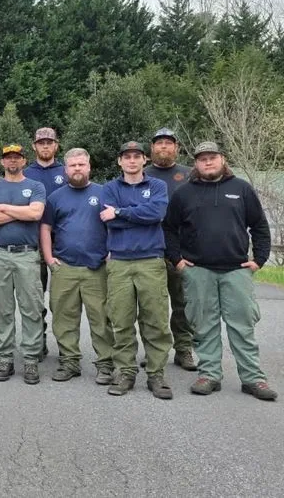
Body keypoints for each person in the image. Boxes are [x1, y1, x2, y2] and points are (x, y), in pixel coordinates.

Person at [165, 142, 277, 401]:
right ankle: (210, 374)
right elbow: (169, 228)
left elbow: (259, 225)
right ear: (196, 163)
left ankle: (253, 378)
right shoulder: (184, 194)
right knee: (203, 326)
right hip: (198, 270)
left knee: (243, 324)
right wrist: (177, 260)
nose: (207, 162)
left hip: (236, 270)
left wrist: (259, 259)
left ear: (222, 159)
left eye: (212, 157)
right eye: (202, 158)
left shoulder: (241, 189)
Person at [101, 141, 174, 399]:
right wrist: (132, 217)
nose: (131, 161)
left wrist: (120, 212)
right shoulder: (109, 188)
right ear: (119, 161)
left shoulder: (157, 186)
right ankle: (125, 372)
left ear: (145, 160)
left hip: (151, 260)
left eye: (136, 156)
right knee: (121, 321)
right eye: (126, 157)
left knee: (155, 320)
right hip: (119, 262)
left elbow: (156, 213)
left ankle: (156, 374)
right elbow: (108, 221)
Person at [40, 148, 115, 385]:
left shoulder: (104, 193)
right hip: (65, 268)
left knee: (101, 318)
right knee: (63, 318)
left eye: (81, 164)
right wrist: (50, 259)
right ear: (65, 169)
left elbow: (114, 225)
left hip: (96, 268)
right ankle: (69, 361)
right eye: (72, 166)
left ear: (89, 166)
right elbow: (45, 229)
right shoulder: (55, 198)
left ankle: (105, 364)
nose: (77, 169)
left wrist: (111, 253)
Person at [0, 143, 46, 384]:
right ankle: (5, 358)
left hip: (28, 255)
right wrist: (22, 211)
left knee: (31, 307)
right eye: (8, 158)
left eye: (16, 157)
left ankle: (30, 360)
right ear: (1, 162)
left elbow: (36, 214)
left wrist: (5, 208)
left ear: (23, 160)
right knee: (1, 307)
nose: (12, 161)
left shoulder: (35, 186)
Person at [144, 127, 197, 372]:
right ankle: (154, 350)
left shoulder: (189, 174)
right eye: (159, 143)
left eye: (168, 143)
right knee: (151, 305)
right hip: (150, 249)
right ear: (152, 148)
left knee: (182, 304)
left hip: (182, 250)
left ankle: (184, 349)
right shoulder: (141, 174)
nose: (163, 147)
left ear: (176, 147)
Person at [23, 127, 64, 359]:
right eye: (41, 143)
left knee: (62, 299)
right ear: (34, 146)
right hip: (34, 242)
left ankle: (67, 347)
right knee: (35, 296)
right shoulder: (27, 173)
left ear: (56, 145)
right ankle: (38, 341)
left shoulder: (66, 171)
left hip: (63, 241)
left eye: (50, 142)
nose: (45, 146)